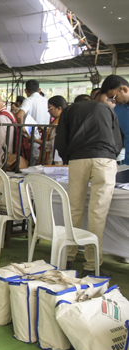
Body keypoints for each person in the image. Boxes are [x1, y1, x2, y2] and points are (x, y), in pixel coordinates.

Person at [55, 94, 122, 277]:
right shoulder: (107, 109)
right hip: (105, 159)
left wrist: (68, 158)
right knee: (97, 213)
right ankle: (92, 266)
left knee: (74, 209)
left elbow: (60, 140)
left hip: (79, 159)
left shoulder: (69, 111)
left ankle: (68, 256)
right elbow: (118, 140)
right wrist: (110, 155)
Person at [16, 80, 49, 161]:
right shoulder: (46, 101)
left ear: (25, 91)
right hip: (44, 138)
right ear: (39, 90)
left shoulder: (29, 100)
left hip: (32, 138)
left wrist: (22, 127)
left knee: (31, 163)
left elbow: (19, 115)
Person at [42, 96, 67, 165]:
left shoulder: (58, 124)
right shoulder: (63, 120)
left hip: (56, 159)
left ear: (59, 108)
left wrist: (34, 140)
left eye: (50, 108)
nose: (48, 111)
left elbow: (52, 144)